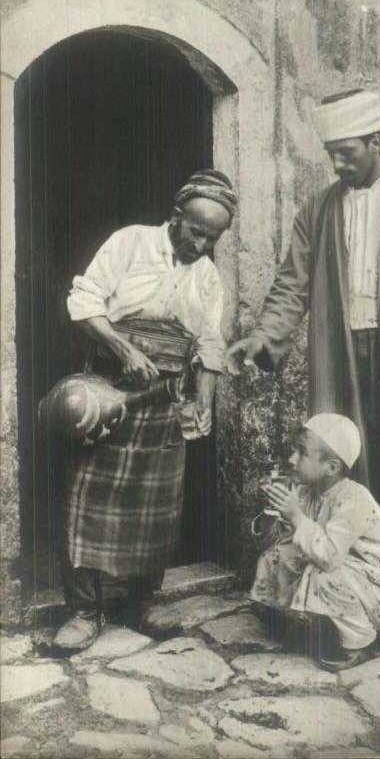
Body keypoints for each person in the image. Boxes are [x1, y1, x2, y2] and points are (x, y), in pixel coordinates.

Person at [228, 89, 380, 625]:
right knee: (343, 461)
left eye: (349, 151)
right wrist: (266, 334)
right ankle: (360, 569)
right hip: (338, 349)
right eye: (332, 153)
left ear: (377, 141)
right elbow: (293, 282)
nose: (339, 163)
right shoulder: (317, 209)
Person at [53, 170, 237, 650]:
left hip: (165, 394)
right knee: (88, 498)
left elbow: (210, 343)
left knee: (153, 508)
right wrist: (122, 350)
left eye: (212, 237)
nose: (202, 242)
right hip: (109, 386)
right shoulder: (130, 243)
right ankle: (83, 610)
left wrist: (204, 402)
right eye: (196, 230)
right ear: (176, 217)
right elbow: (84, 300)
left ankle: (141, 603)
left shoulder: (207, 276)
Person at [250, 413, 380, 671]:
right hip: (343, 571)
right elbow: (290, 540)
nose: (292, 459)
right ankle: (289, 615)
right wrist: (273, 511)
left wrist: (295, 516)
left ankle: (362, 641)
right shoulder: (306, 491)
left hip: (377, 588)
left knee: (324, 575)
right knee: (277, 555)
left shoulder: (353, 498)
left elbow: (329, 556)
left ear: (332, 467)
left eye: (302, 452)